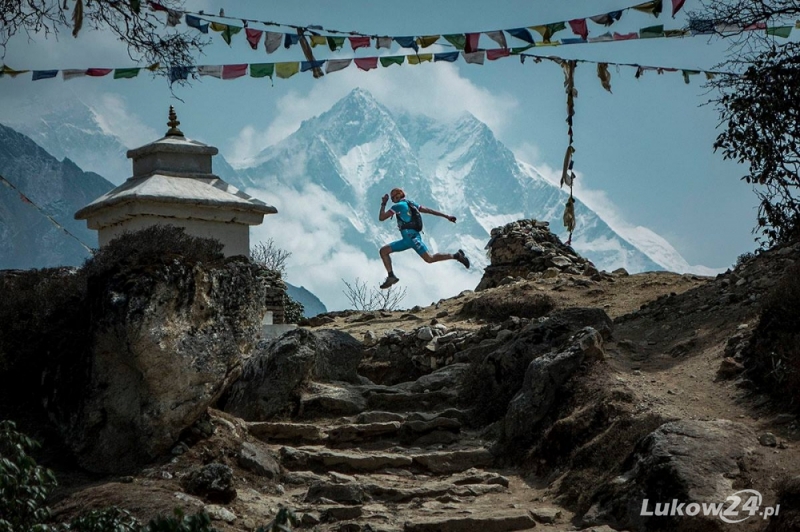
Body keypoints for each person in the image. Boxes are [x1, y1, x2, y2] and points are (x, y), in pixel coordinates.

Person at [378, 187, 469, 289]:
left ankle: (457, 256)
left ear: (398, 195)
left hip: (411, 239)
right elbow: (429, 210)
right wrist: (446, 216)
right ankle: (391, 276)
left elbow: (381, 218)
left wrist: (383, 203)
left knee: (429, 259)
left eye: (392, 197)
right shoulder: (410, 203)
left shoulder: (398, 206)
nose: (392, 200)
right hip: (410, 238)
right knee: (383, 251)